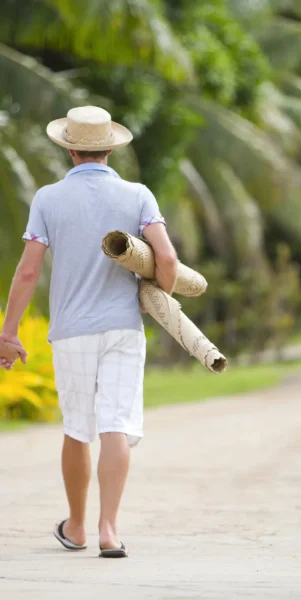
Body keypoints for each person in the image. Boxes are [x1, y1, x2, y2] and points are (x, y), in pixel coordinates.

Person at [0, 106, 177, 558]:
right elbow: (168, 262)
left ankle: (76, 527)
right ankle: (108, 530)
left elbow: (27, 273)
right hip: (123, 326)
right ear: (111, 149)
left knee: (79, 429)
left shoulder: (47, 199)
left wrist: (9, 332)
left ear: (70, 149)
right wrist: (161, 297)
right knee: (116, 424)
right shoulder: (138, 195)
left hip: (73, 330)